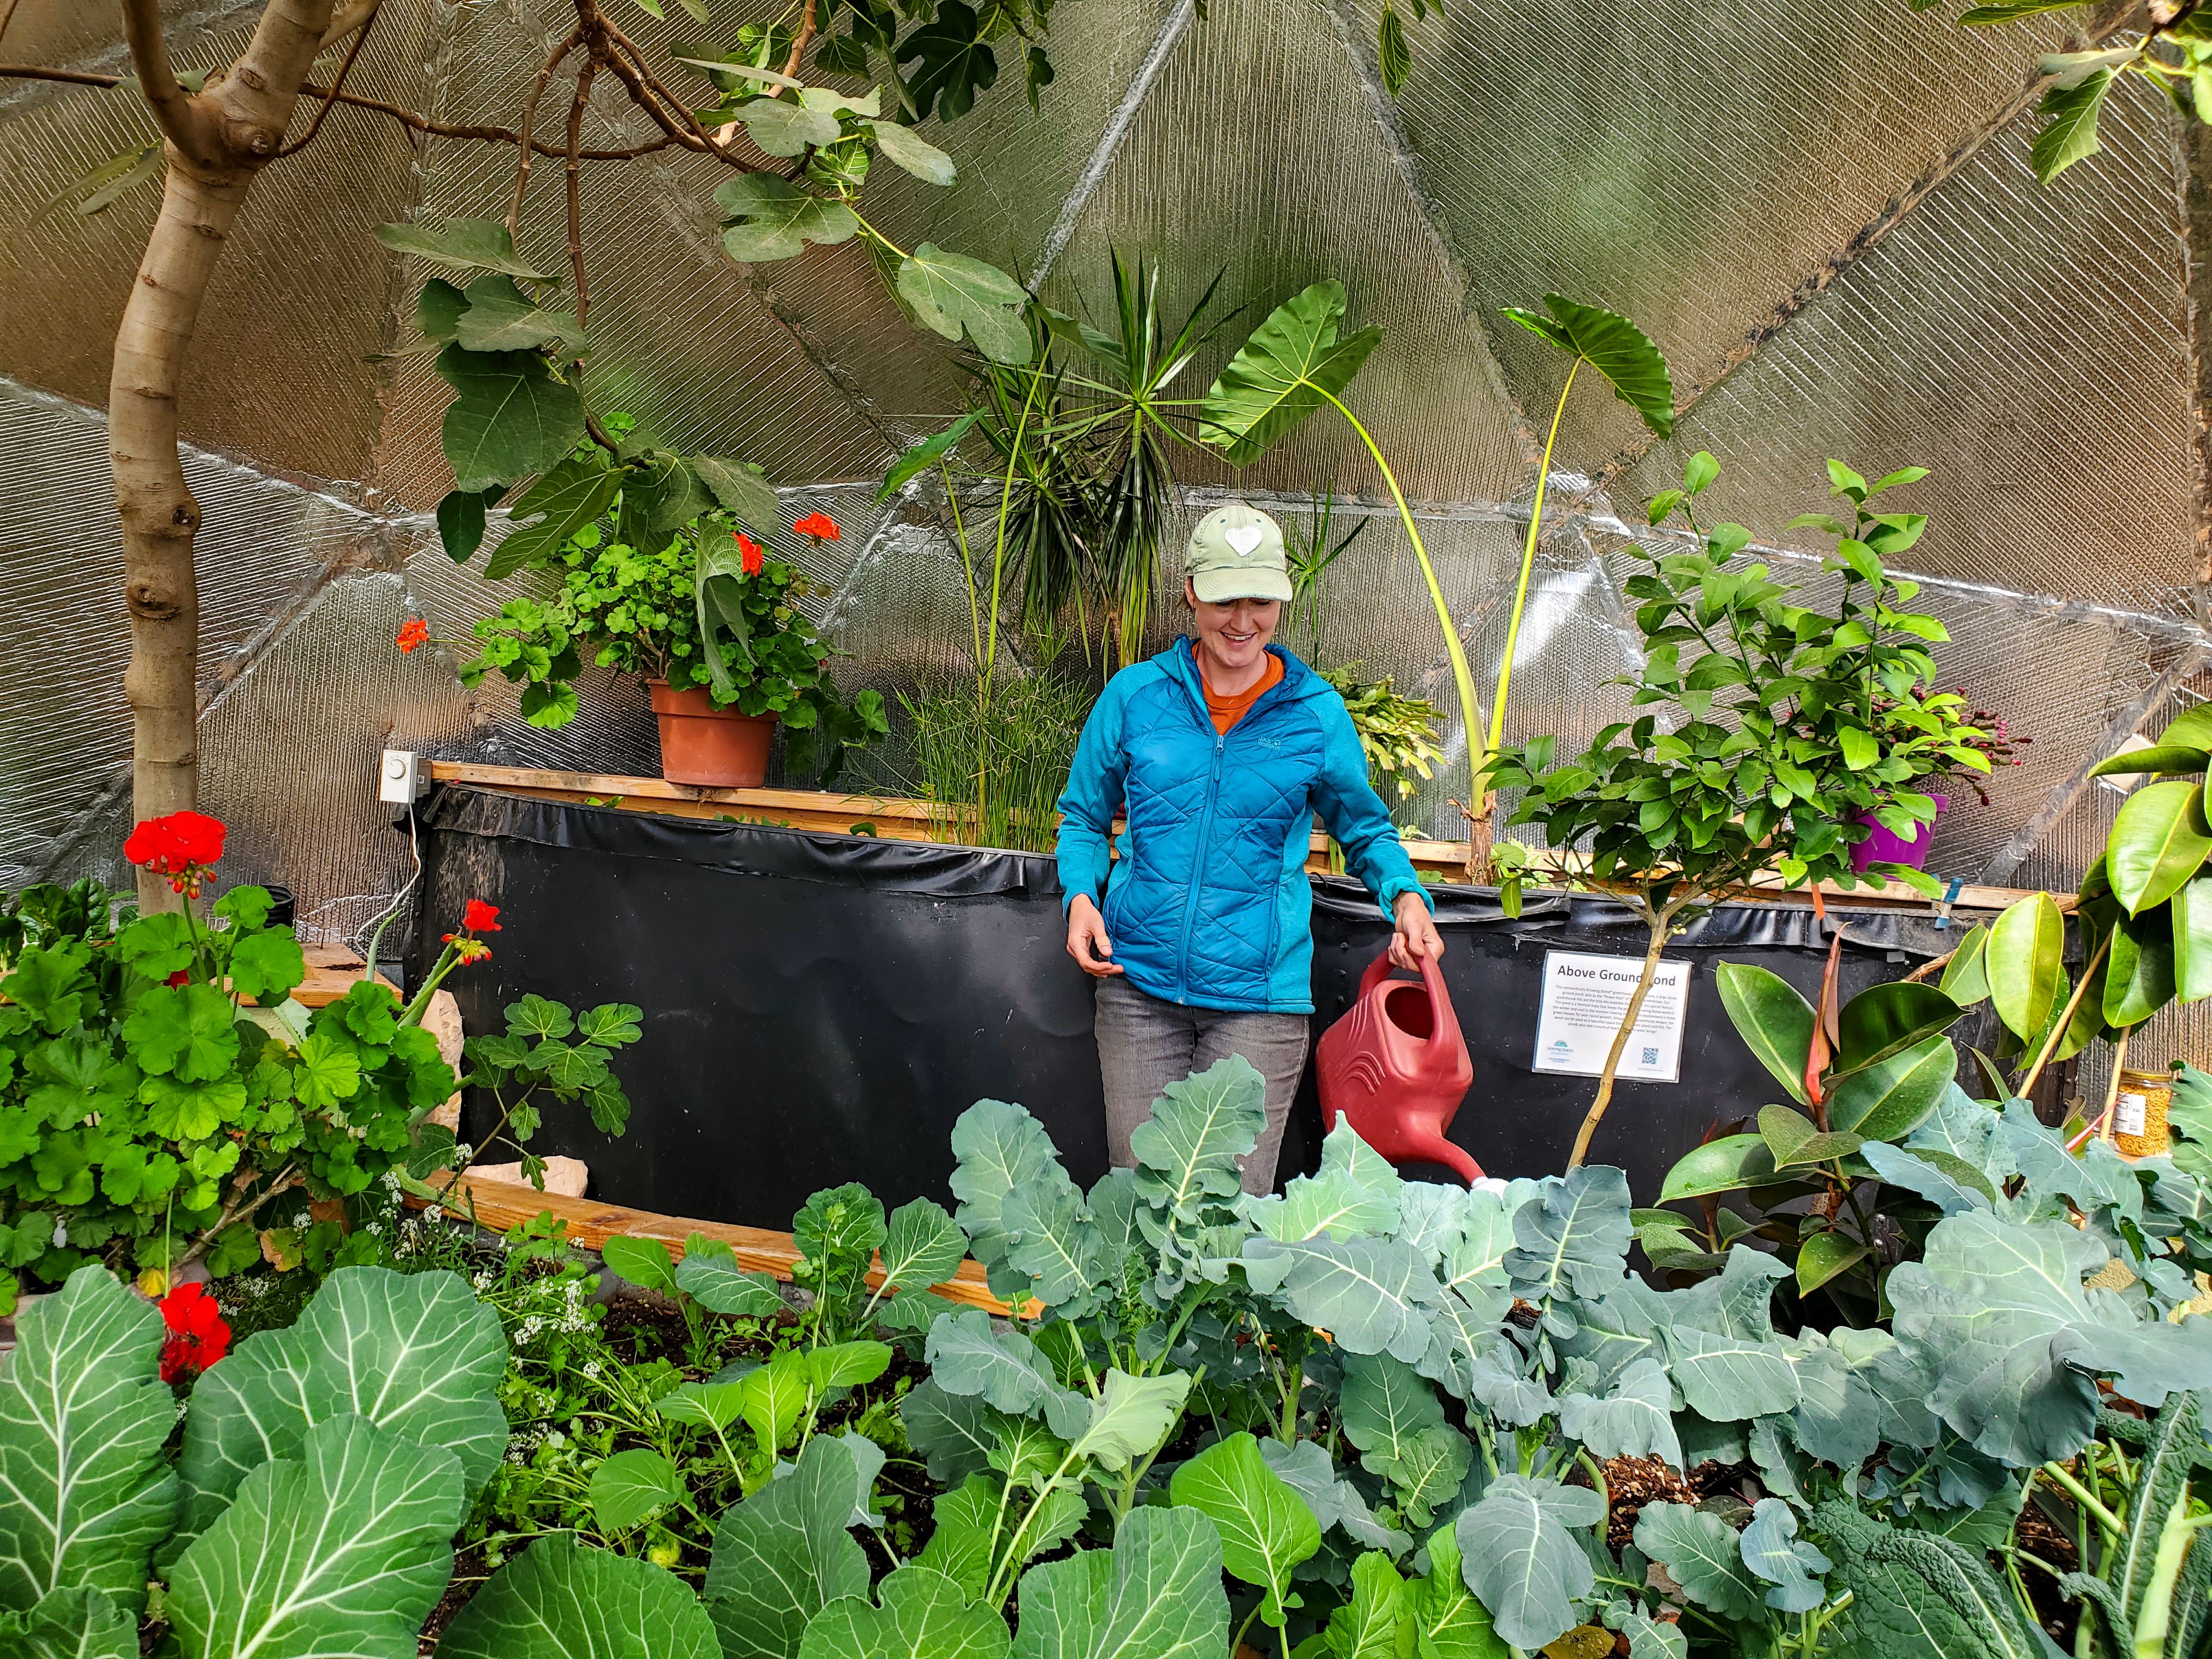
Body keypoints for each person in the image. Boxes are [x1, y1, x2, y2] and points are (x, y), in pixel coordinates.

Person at [1055, 500, 1446, 1194]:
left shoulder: (1315, 714)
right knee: (1140, 1199)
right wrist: (1082, 896)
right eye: (1223, 600)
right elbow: (1084, 815)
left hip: (1258, 1004)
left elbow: (1364, 828)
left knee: (1226, 1216)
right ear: (1190, 595)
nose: (1242, 621)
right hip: (1138, 991)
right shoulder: (1135, 697)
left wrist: (1406, 897)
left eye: (1260, 600)